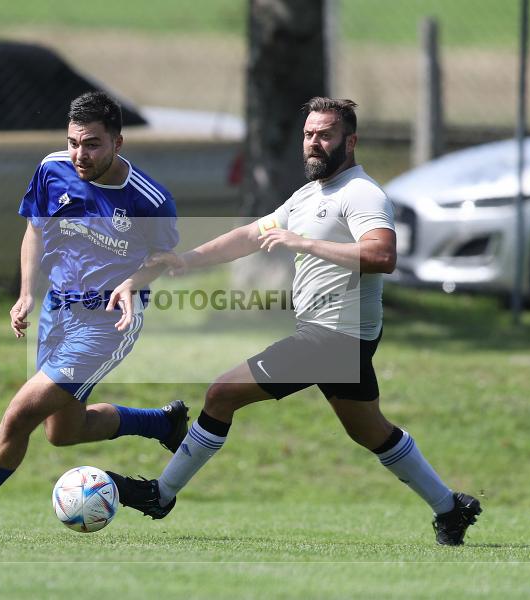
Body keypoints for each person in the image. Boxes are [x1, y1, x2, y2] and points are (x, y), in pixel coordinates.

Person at [107, 97, 482, 546]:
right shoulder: (308, 195)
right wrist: (184, 259)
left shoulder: (361, 193)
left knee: (220, 394)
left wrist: (304, 244)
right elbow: (250, 235)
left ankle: (161, 494)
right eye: (309, 134)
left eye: (325, 134)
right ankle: (450, 507)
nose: (314, 143)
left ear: (351, 140)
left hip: (333, 339)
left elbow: (382, 256)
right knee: (369, 430)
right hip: (339, 337)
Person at [0, 91, 188, 533]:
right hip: (56, 313)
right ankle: (163, 423)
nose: (80, 154)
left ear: (118, 143)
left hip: (106, 323)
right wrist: (26, 293)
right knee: (63, 431)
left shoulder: (149, 200)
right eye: (74, 142)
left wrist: (132, 282)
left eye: (93, 144)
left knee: (19, 413)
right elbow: (34, 230)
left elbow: (166, 259)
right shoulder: (52, 169)